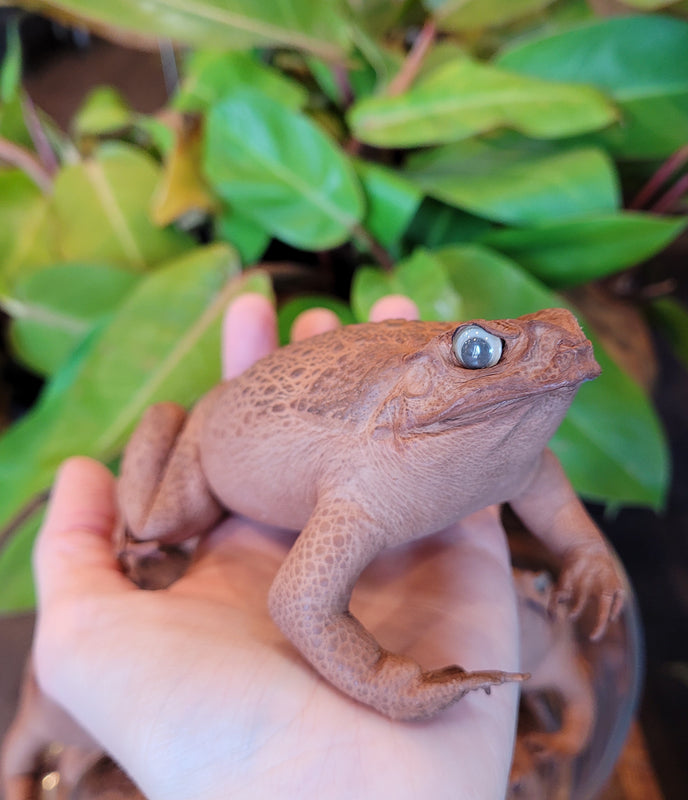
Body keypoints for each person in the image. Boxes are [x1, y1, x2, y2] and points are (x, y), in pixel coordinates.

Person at [14, 294, 521, 800]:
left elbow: (534, 472)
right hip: (219, 434)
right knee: (157, 518)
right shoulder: (366, 485)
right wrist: (385, 680)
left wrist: (585, 551)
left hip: (303, 416)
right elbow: (299, 601)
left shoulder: (436, 459)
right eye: (480, 351)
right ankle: (165, 425)